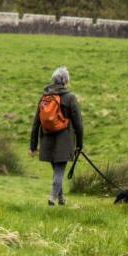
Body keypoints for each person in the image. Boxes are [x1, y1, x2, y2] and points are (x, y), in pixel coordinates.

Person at [29, 66, 84, 206]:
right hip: (64, 141)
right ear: (66, 81)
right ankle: (53, 197)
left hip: (47, 140)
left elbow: (36, 123)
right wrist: (80, 143)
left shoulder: (45, 97)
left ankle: (61, 199)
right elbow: (78, 124)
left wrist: (33, 146)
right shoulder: (70, 98)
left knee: (57, 170)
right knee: (59, 171)